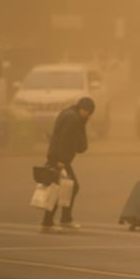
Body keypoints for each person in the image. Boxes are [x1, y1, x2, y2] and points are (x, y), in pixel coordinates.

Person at [41, 97, 95, 232]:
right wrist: (61, 161)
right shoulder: (74, 119)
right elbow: (66, 140)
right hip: (60, 159)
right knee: (65, 188)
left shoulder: (68, 113)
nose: (88, 116)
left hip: (57, 157)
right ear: (84, 109)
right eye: (88, 113)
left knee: (63, 187)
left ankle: (60, 219)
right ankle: (51, 221)